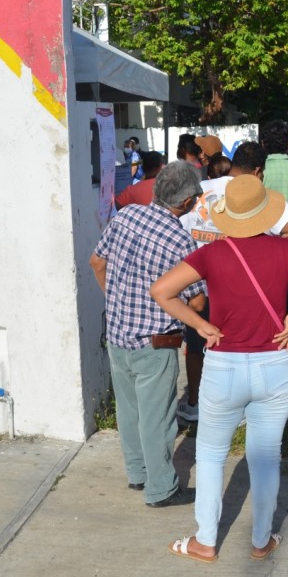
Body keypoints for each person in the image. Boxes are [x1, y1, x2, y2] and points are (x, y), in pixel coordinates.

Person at [151, 175, 288, 565]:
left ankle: (205, 541)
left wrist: (202, 325)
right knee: (266, 456)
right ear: (265, 212)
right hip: (274, 363)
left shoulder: (211, 254)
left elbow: (161, 291)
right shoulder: (285, 250)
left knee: (209, 455)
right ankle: (261, 540)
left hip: (223, 364)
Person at [88, 162, 206, 508]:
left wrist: (115, 297)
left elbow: (97, 262)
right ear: (185, 203)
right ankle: (162, 488)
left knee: (130, 411)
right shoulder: (180, 239)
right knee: (158, 418)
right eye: (196, 198)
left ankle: (137, 473)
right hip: (155, 340)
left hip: (118, 333)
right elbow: (197, 301)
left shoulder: (125, 218)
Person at [176, 143, 288, 422]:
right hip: (240, 287)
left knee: (198, 346)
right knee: (239, 348)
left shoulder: (201, 188)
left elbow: (179, 224)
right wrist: (277, 255)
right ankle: (243, 406)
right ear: (258, 171)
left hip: (197, 286)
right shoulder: (258, 197)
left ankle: (197, 402)